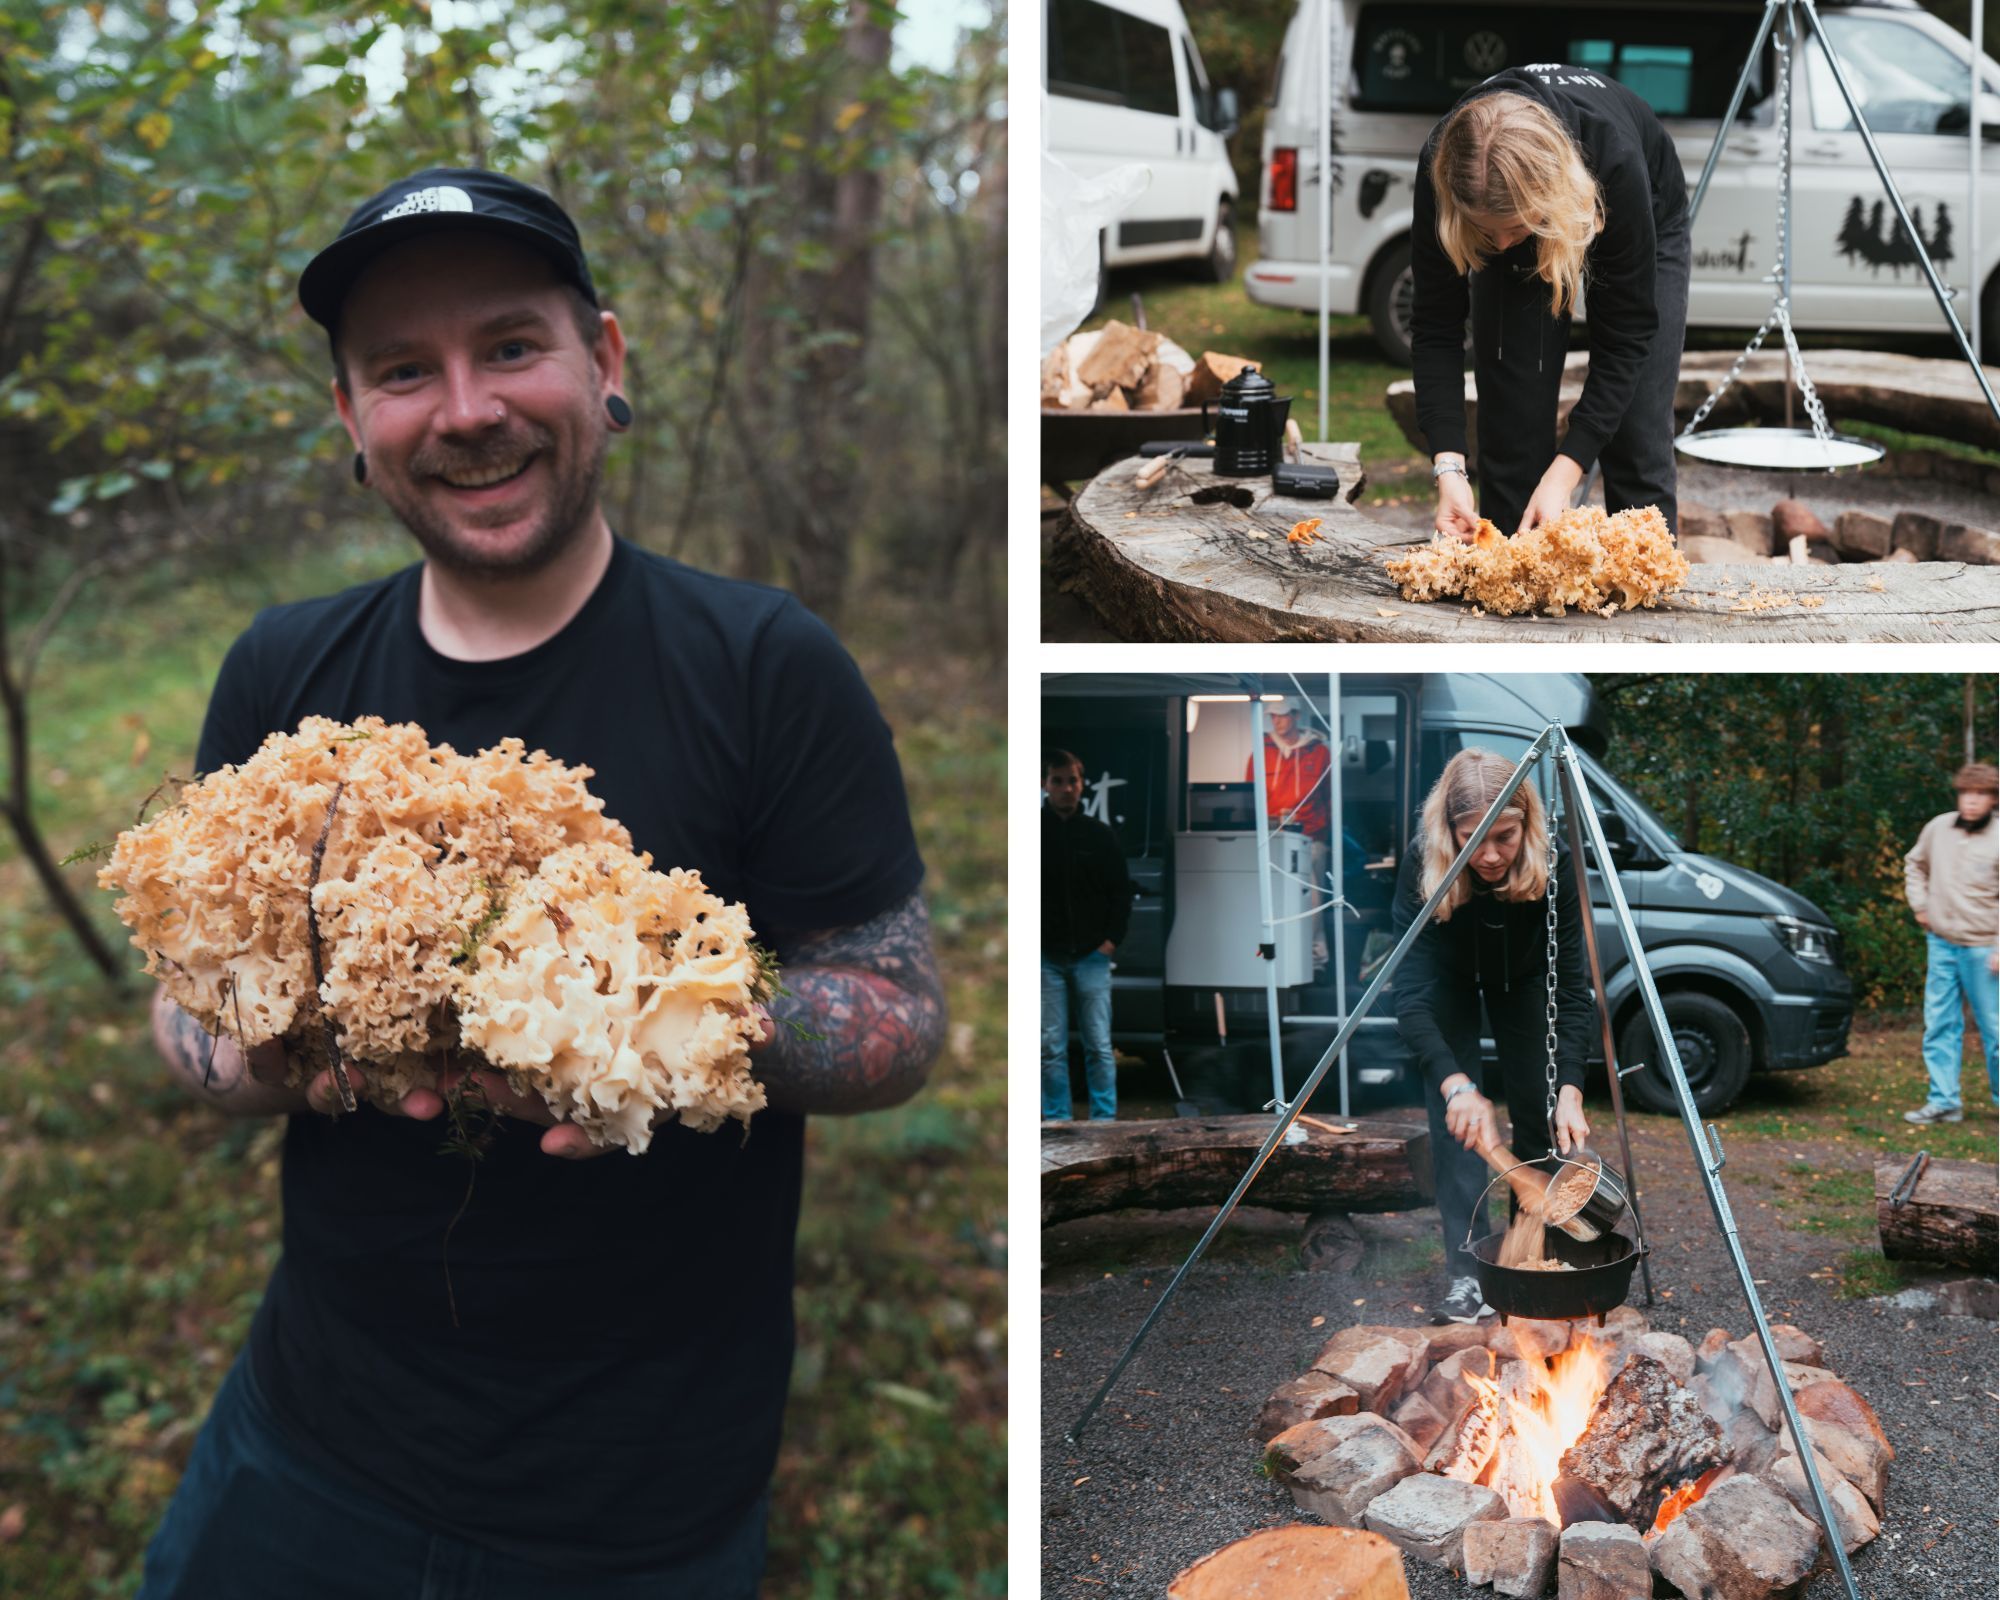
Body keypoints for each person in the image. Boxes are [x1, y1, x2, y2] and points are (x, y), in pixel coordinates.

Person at [136, 168, 945, 1599]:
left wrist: (681, 1028)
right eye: (402, 371)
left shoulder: (766, 669)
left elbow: (899, 1012)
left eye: (511, 345)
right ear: (352, 422)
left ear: (604, 363)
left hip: (642, 1497)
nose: (466, 408)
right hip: (310, 1441)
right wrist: (288, 1048)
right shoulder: (285, 676)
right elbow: (186, 1011)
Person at [1411, 65, 1692, 543]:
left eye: (1514, 232)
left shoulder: (1615, 158)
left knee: (1637, 433)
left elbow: (1626, 338)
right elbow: (1436, 326)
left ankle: (1646, 585)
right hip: (1518, 202)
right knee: (1512, 428)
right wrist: (1450, 467)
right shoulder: (1449, 170)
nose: (1500, 247)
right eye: (1486, 232)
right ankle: (1510, 588)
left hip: (1640, 206)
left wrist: (1566, 472)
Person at [1390, 749, 1593, 1324]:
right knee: (1457, 1123)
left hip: (1526, 978)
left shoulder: (1555, 861)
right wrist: (1455, 1083)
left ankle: (1528, 1260)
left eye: (1504, 836)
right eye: (1471, 838)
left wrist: (1572, 1085)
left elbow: (1572, 987)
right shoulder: (1422, 863)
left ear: (1525, 823)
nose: (1488, 854)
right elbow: (1409, 992)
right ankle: (1466, 1275)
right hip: (1448, 982)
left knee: (1541, 1108)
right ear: (1448, 832)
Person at [1902, 761, 2000, 1125]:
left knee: (1995, 1031)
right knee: (1940, 1024)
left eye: (1980, 795)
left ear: (1992, 800)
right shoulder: (1938, 828)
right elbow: (1914, 864)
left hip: (1984, 949)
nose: (1971, 801)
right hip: (1941, 944)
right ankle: (1944, 1101)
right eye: (1965, 793)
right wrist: (1921, 905)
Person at [1042, 748, 1130, 1120]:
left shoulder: (1100, 835)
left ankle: (1104, 1120)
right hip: (1046, 956)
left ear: (1082, 785)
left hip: (1092, 954)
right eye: (1058, 781)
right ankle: (1056, 1120)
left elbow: (1120, 893)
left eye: (1072, 781)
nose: (1066, 789)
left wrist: (1111, 941)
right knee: (1050, 1046)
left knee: (1098, 1043)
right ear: (1045, 784)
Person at [1245, 696, 1332, 972]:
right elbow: (1247, 796)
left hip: (1310, 836)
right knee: (1271, 898)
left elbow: (1329, 798)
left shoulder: (1318, 751)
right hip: (1270, 837)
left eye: (1282, 715)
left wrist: (1322, 833)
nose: (1276, 720)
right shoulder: (1261, 749)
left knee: (1312, 899)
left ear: (1296, 715)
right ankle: (1271, 959)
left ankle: (1315, 962)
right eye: (1273, 716)